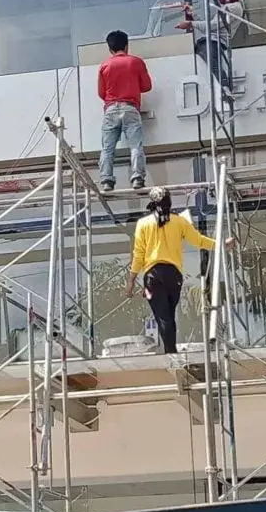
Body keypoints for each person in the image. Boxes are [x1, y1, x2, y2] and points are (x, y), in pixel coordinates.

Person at [125, 187, 234, 354]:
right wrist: (221, 244)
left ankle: (171, 353)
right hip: (174, 277)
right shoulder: (179, 222)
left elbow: (138, 254)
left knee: (163, 317)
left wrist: (131, 281)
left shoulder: (143, 224)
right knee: (169, 316)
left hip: (152, 277)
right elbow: (199, 241)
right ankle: (171, 351)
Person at [176, 0, 244, 109]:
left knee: (214, 63)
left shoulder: (234, 8)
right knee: (207, 58)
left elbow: (213, 25)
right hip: (212, 39)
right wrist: (192, 15)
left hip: (217, 41)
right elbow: (210, 24)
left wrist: (191, 23)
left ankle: (225, 87)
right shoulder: (228, 7)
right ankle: (224, 87)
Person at [97, 30, 152, 192]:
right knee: (136, 145)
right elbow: (147, 86)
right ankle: (137, 178)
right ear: (127, 45)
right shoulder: (136, 62)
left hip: (111, 108)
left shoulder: (104, 66)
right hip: (130, 107)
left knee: (107, 148)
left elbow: (101, 93)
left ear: (110, 49)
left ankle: (107, 181)